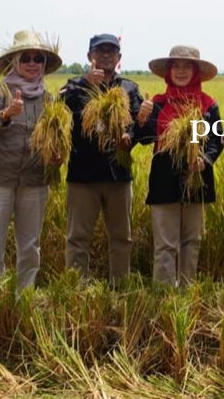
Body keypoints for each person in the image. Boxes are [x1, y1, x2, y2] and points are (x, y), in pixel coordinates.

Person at [0, 30, 62, 289]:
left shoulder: (48, 99)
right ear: (15, 61)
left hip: (34, 181)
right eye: (26, 58)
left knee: (30, 245)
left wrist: (56, 156)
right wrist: (5, 114)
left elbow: (53, 138)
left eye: (38, 59)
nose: (33, 63)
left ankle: (24, 297)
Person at [136, 45, 222, 286]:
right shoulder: (159, 103)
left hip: (197, 179)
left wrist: (205, 161)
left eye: (187, 67)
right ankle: (164, 295)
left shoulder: (208, 105)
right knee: (165, 243)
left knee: (192, 241)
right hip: (164, 179)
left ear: (196, 72)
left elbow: (217, 140)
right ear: (169, 71)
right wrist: (142, 118)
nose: (181, 71)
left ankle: (186, 292)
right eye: (177, 66)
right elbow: (144, 139)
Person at [60, 34, 142, 282]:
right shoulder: (75, 85)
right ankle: (76, 287)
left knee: (121, 237)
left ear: (118, 58)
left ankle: (120, 286)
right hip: (82, 176)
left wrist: (129, 136)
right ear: (89, 56)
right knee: (77, 237)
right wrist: (86, 83)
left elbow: (139, 123)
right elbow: (59, 108)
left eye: (111, 51)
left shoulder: (128, 88)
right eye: (100, 51)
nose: (106, 55)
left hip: (117, 175)